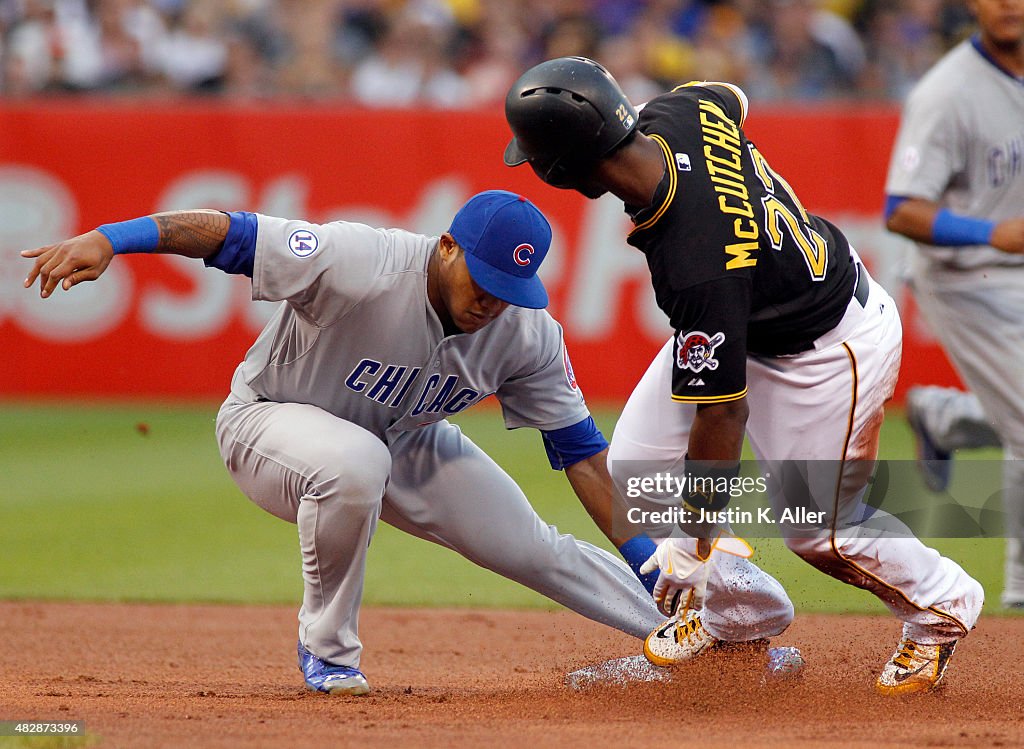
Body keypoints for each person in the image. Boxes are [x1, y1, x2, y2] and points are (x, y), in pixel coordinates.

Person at [21, 190, 671, 695]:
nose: (491, 304)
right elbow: (231, 233)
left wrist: (653, 564)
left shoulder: (526, 333)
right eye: (484, 282)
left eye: (509, 292)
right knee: (357, 462)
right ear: (447, 247)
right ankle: (328, 651)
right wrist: (113, 238)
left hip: (405, 442)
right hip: (269, 420)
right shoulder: (361, 260)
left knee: (531, 546)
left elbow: (584, 456)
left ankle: (676, 626)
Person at [503, 56, 983, 695]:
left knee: (820, 531)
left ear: (565, 171)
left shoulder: (695, 259)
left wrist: (696, 546)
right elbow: (727, 95)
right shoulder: (678, 113)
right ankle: (740, 618)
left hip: (828, 348)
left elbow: (722, 414)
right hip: (754, 312)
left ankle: (941, 607)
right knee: (636, 468)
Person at [884, 0, 1024, 609]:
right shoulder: (947, 93)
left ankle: (946, 417)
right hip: (967, 279)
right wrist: (990, 234)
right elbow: (901, 209)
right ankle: (1022, 590)